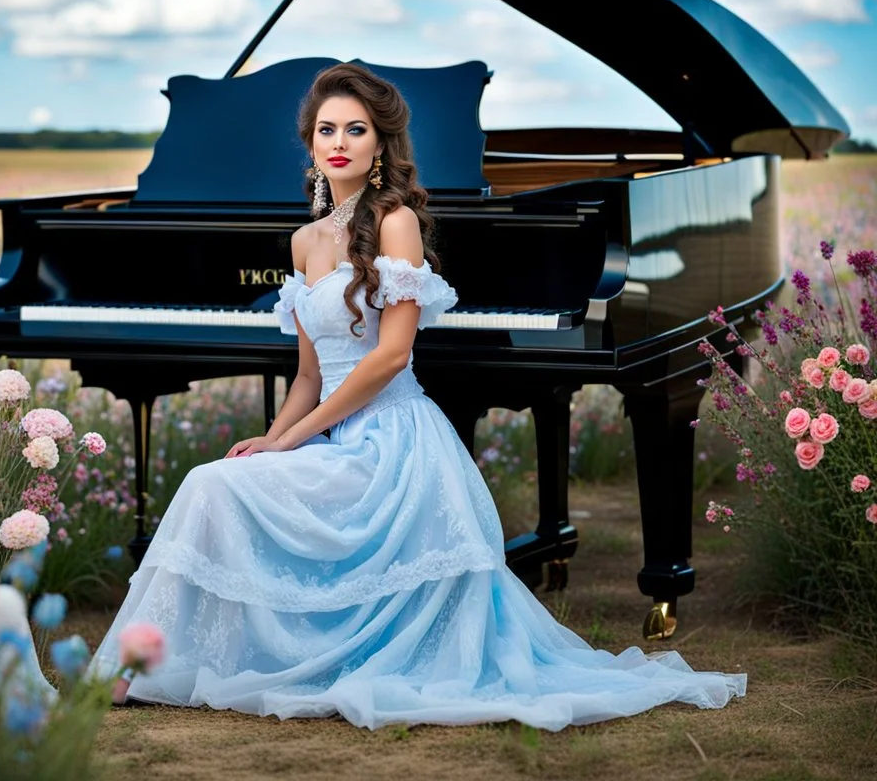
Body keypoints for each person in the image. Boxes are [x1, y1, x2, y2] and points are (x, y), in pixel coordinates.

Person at [90, 63, 746, 729]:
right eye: (326, 130)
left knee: (207, 486)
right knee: (220, 479)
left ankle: (136, 668)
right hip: (331, 433)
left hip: (392, 444)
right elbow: (311, 376)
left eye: (356, 129)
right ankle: (156, 665)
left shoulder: (395, 222)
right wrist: (271, 437)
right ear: (310, 145)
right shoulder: (302, 242)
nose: (339, 141)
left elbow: (391, 355)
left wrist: (292, 438)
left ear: (379, 145)